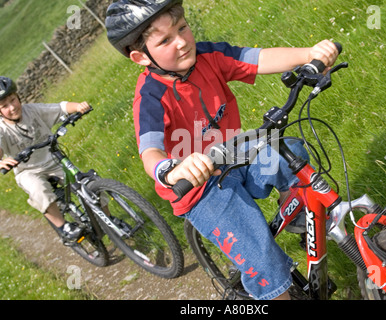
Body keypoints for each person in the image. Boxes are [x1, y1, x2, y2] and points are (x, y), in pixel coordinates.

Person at [105, 0, 339, 300]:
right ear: (140, 56)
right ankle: (270, 282)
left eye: (182, 28)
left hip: (236, 156)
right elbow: (149, 151)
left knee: (289, 151)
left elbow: (258, 58)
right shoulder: (150, 96)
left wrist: (309, 55)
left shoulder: (207, 56)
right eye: (165, 40)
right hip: (200, 189)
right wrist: (171, 169)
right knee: (263, 261)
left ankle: (295, 217)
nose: (181, 42)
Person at [0, 76, 91, 242]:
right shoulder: (2, 130)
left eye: (13, 100)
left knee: (88, 186)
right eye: (4, 106)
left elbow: (61, 108)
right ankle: (64, 227)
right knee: (38, 189)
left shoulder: (32, 110)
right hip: (28, 170)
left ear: (18, 97)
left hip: (53, 160)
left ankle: (111, 223)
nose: (12, 107)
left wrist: (77, 106)